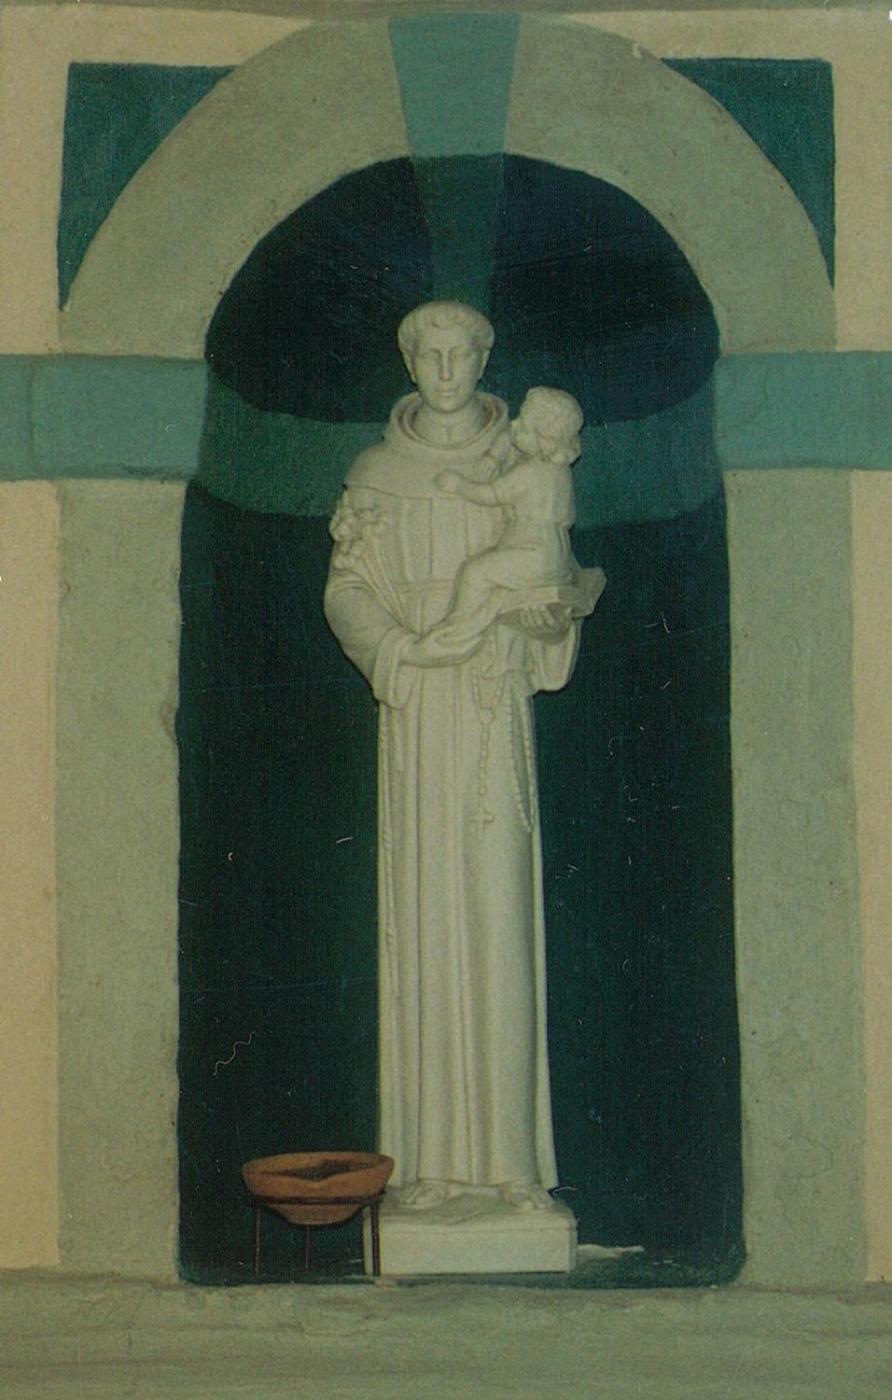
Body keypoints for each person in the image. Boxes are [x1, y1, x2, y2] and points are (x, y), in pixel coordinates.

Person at [323, 302, 589, 1213]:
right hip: (419, 712)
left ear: (484, 359)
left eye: (460, 354)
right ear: (408, 361)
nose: (444, 371)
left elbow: (553, 574)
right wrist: (398, 649)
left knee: (498, 921)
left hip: (490, 703)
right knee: (426, 921)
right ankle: (431, 1167)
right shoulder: (377, 473)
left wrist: (543, 622)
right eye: (428, 355)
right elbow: (347, 590)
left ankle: (513, 1168)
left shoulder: (522, 464)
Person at [414, 387, 586, 660]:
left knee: (476, 573)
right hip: (554, 556)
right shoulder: (556, 468)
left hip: (533, 553)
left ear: (544, 443)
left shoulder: (529, 472)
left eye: (524, 425)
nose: (514, 425)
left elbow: (491, 494)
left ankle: (456, 628)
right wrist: (494, 455)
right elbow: (511, 437)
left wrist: (459, 485)